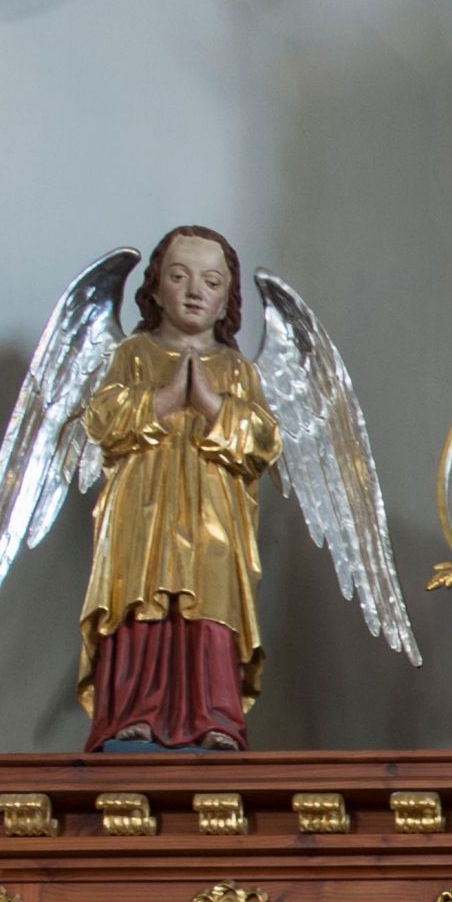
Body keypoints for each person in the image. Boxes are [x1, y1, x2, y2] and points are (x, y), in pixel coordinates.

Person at [78, 226, 283, 748]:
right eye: (179, 277)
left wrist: (211, 405)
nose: (195, 291)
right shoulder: (134, 354)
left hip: (215, 514)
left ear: (226, 302)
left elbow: (264, 441)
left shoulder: (236, 369)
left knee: (211, 600)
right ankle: (133, 711)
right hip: (142, 510)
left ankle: (214, 716)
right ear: (155, 290)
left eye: (211, 282)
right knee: (139, 597)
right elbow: (101, 420)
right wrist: (167, 399)